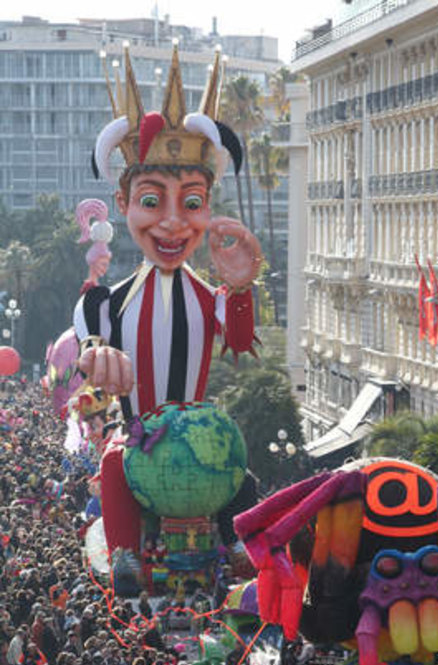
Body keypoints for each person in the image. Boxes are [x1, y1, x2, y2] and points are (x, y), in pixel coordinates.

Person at [73, 45, 262, 556]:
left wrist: (242, 286)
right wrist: (98, 358)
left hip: (199, 436)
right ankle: (125, 556)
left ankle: (237, 545)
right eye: (152, 202)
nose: (174, 222)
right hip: (139, 441)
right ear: (125, 205)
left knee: (239, 471)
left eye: (193, 203)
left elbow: (241, 339)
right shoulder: (103, 304)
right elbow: (91, 351)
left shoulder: (213, 298)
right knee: (113, 462)